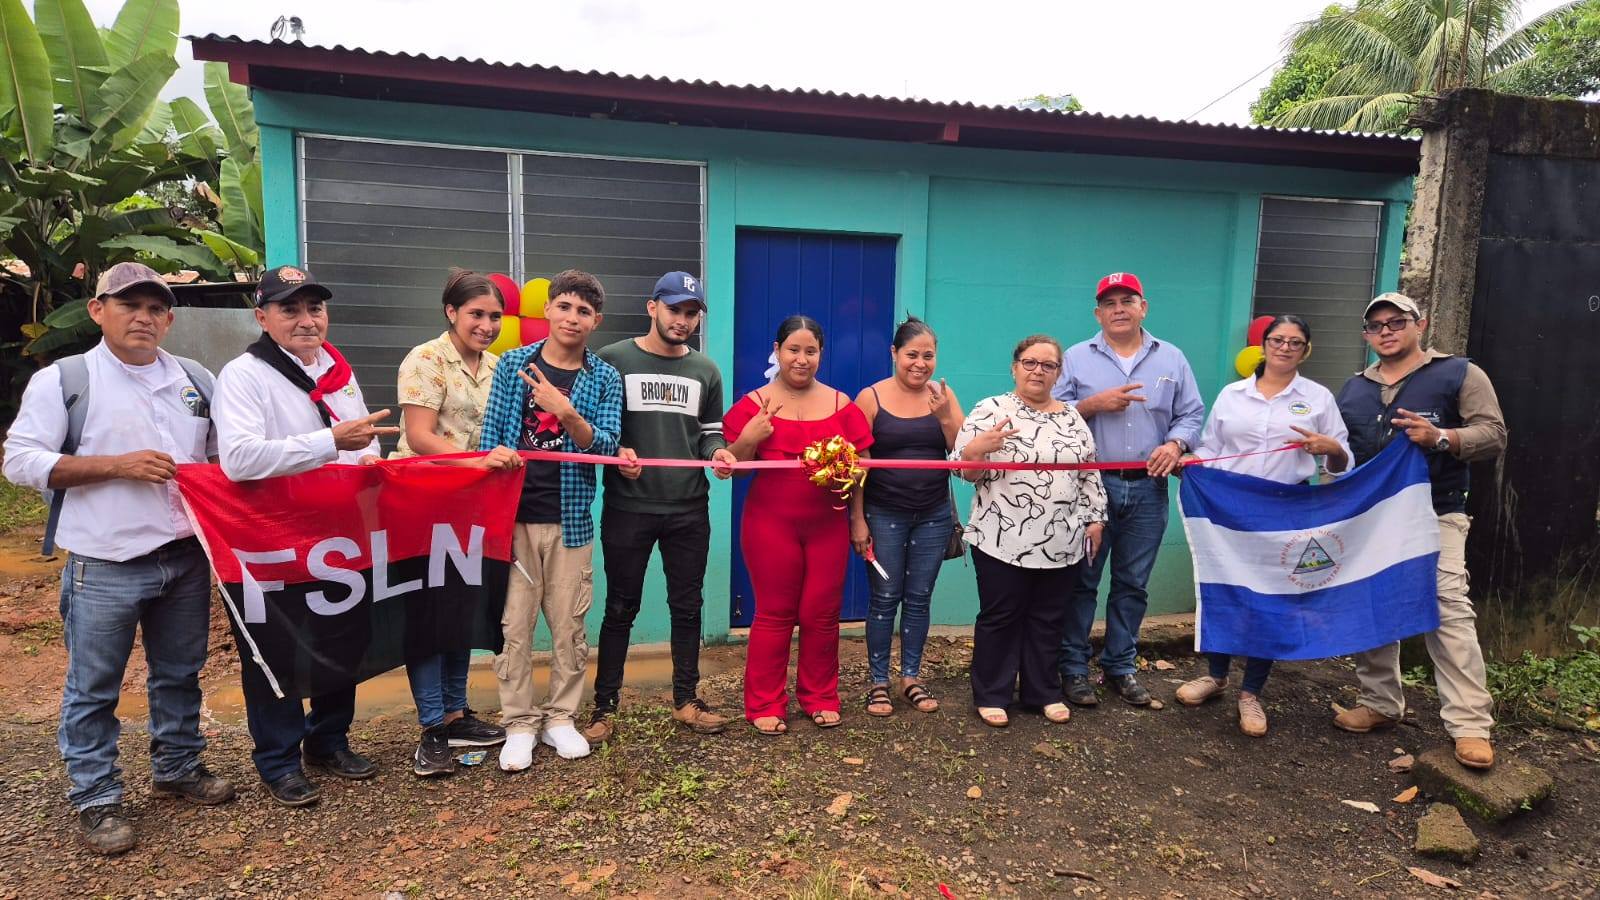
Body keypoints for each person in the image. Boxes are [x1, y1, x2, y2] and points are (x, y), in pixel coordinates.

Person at [3, 263, 235, 854]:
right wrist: (116, 465)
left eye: (156, 308)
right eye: (128, 304)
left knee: (179, 673)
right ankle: (97, 797)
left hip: (182, 557)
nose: (143, 317)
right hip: (104, 561)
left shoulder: (194, 379)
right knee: (95, 686)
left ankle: (178, 766)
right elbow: (20, 460)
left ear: (170, 319)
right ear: (97, 310)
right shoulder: (66, 380)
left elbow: (218, 459)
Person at [212, 264, 400, 807]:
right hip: (270, 540)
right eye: (290, 309)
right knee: (276, 648)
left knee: (343, 638)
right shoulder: (243, 376)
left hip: (337, 536)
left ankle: (328, 740)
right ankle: (278, 760)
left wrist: (364, 454)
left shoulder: (338, 370)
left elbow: (363, 440)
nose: (305, 320)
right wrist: (329, 441)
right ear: (262, 316)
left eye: (314, 307)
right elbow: (240, 459)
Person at [1333, 293, 1507, 769]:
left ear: (1420, 324)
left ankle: (1470, 724)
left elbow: (1493, 434)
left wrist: (1442, 438)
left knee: (1447, 607)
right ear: (1367, 335)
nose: (1386, 331)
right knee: (1373, 604)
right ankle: (1380, 703)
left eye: (1396, 322)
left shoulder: (1459, 374)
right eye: (1376, 325)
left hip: (1437, 513)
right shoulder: (1353, 389)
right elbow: (1344, 455)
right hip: (1371, 519)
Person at [1176, 315, 1350, 736]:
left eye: (1295, 342)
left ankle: (1251, 692)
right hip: (1229, 507)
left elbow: (1343, 461)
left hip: (1285, 509)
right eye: (1278, 339)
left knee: (1273, 597)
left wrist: (1329, 449)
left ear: (1305, 349)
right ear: (1264, 344)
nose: (1285, 347)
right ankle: (1215, 677)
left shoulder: (1318, 397)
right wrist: (1190, 460)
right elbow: (1212, 446)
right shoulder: (1233, 394)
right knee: (1224, 588)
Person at [585, 272, 738, 744]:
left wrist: (717, 452)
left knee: (686, 606)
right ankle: (604, 710)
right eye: (675, 310)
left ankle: (686, 701)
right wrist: (616, 456)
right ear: (652, 308)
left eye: (691, 313)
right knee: (620, 608)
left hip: (689, 508)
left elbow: (710, 430)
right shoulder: (613, 360)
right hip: (629, 508)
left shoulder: (706, 371)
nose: (683, 320)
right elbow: (597, 433)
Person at [478, 269, 622, 769]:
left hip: (572, 521)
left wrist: (564, 411)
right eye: (564, 307)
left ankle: (561, 718)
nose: (572, 318)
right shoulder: (514, 364)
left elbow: (603, 446)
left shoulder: (603, 377)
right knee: (513, 627)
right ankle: (519, 721)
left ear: (595, 320)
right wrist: (499, 455)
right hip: (512, 521)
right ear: (549, 311)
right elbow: (489, 439)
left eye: (584, 311)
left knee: (569, 627)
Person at [390, 269, 521, 776]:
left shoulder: (497, 367)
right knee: (426, 614)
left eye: (494, 316)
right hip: (420, 500)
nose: (486, 325)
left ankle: (456, 711)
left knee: (460, 608)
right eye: (476, 314)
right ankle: (431, 728)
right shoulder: (425, 359)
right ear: (451, 312)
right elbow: (420, 436)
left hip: (471, 504)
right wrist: (478, 463)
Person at [1052, 272, 1204, 708]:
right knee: (1082, 582)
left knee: (1132, 584)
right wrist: (1091, 405)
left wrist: (1175, 444)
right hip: (1089, 489)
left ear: (1144, 307)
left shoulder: (1171, 358)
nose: (1119, 308)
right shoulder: (1077, 358)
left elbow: (1191, 415)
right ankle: (1074, 669)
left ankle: (1120, 666)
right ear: (1097, 313)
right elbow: (1052, 414)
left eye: (1127, 300)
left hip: (1147, 488)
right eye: (1110, 302)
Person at [724, 315, 874, 735]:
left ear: (821, 354)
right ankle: (764, 702)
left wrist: (857, 520)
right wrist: (751, 436)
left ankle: (820, 696)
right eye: (793, 349)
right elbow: (733, 468)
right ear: (777, 350)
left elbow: (861, 470)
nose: (801, 359)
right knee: (774, 613)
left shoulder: (843, 405)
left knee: (822, 614)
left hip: (828, 524)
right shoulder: (755, 404)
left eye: (810, 351)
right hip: (770, 524)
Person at [953, 335, 1107, 728]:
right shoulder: (991, 409)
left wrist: (1095, 518)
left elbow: (1089, 470)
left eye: (1047, 365)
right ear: (1014, 366)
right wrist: (977, 449)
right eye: (1029, 362)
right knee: (1001, 616)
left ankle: (1043, 690)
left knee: (1049, 617)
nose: (1038, 370)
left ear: (1058, 372)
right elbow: (965, 473)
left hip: (1062, 539)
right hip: (1002, 538)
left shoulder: (1071, 417)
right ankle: (992, 693)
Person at [850, 316, 962, 717]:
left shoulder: (943, 395)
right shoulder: (871, 398)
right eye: (911, 354)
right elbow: (856, 466)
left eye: (928, 356)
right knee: (884, 598)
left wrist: (945, 413)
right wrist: (857, 520)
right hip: (883, 515)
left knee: (919, 598)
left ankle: (910, 677)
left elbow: (961, 451)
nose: (920, 363)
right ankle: (878, 682)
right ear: (894, 354)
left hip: (933, 516)